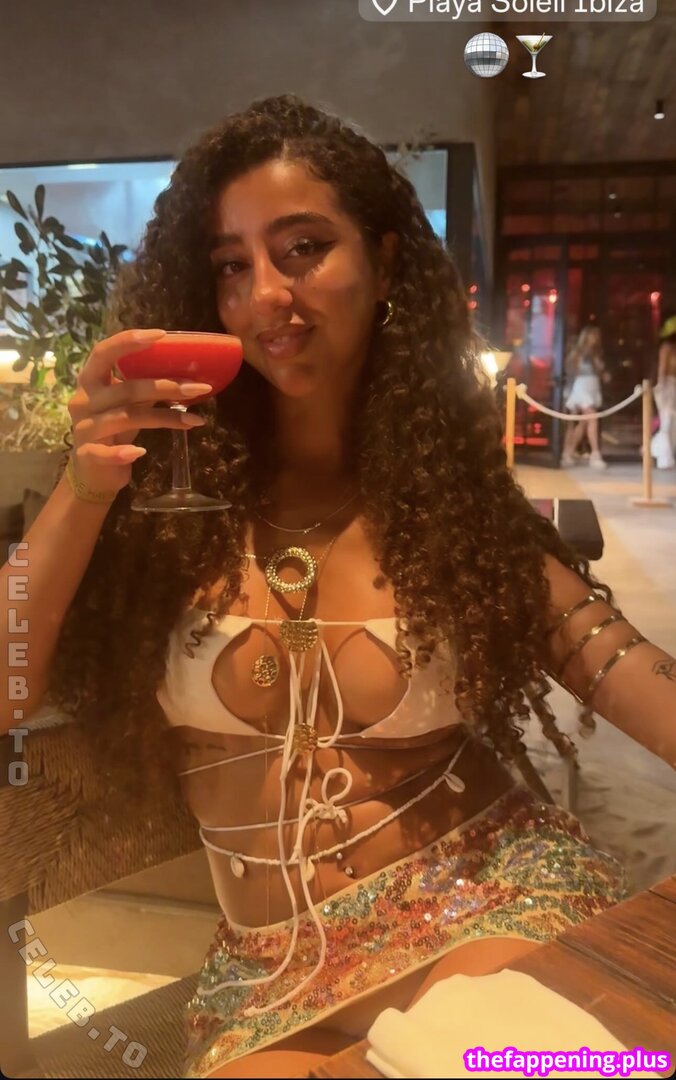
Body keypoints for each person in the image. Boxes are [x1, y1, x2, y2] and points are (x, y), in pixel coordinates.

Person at [1, 95, 675, 1080]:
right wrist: (83, 484)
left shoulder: (446, 507)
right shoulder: (162, 511)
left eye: (303, 249)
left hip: (487, 902)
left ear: (385, 263)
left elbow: (618, 663)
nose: (265, 293)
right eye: (231, 265)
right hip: (268, 974)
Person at [561, 324, 610, 469]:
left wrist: (604, 375)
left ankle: (568, 453)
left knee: (583, 423)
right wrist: (568, 394)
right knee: (591, 418)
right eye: (593, 336)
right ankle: (595, 454)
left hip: (592, 387)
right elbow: (570, 371)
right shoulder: (578, 353)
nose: (595, 339)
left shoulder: (596, 354)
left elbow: (600, 372)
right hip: (581, 388)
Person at [650, 315, 676, 470]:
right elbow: (662, 370)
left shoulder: (669, 348)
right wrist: (661, 386)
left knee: (671, 423)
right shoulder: (667, 348)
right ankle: (663, 457)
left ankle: (660, 452)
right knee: (668, 421)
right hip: (667, 386)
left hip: (672, 386)